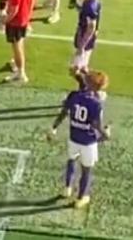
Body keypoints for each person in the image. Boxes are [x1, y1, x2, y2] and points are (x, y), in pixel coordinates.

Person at [47, 70, 110, 209]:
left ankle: (67, 188)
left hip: (74, 137)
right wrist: (106, 134)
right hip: (88, 142)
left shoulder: (74, 95)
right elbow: (96, 125)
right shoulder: (96, 104)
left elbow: (64, 112)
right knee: (87, 170)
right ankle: (81, 197)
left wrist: (54, 127)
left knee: (71, 160)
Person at [2, 0, 36, 83]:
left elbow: (14, 10)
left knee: (17, 47)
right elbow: (32, 0)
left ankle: (21, 72)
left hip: (15, 23)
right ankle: (18, 66)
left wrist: (4, 20)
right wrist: (28, 16)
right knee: (20, 44)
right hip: (24, 19)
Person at [69, 0, 101, 72]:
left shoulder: (89, 7)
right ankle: (87, 85)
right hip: (90, 38)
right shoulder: (95, 1)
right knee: (83, 67)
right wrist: (78, 7)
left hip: (84, 38)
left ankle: (86, 86)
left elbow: (91, 27)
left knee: (75, 69)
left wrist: (81, 46)